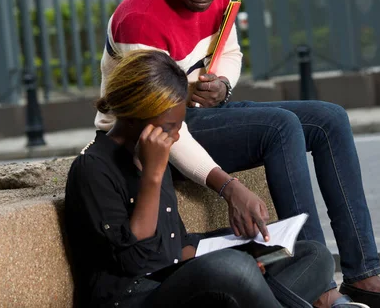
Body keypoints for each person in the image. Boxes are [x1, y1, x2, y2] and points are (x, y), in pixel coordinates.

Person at [95, 0, 380, 308]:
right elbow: (160, 125)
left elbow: (230, 50)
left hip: (198, 112)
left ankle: (365, 278)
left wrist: (222, 83)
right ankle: (320, 289)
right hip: (148, 135)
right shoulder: (140, 19)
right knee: (280, 127)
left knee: (330, 120)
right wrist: (228, 186)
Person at [65, 50, 344, 308]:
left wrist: (250, 249)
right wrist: (152, 176)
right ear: (136, 118)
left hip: (178, 278)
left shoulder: (152, 150)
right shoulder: (93, 170)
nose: (175, 137)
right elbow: (136, 261)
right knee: (234, 270)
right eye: (170, 127)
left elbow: (174, 243)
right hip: (136, 297)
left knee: (311, 255)